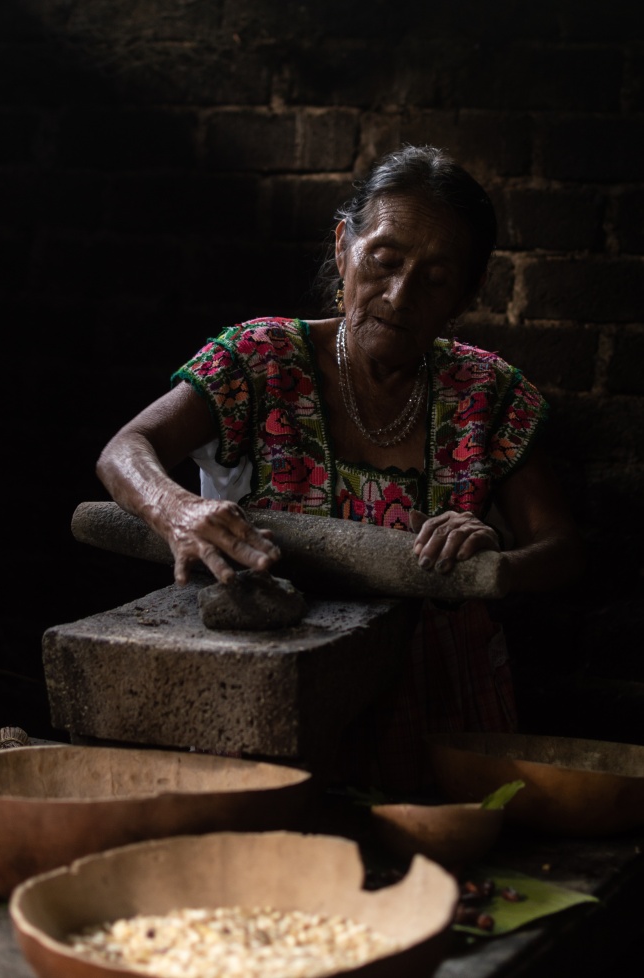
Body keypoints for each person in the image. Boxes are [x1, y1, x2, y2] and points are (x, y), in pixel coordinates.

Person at [96, 145, 584, 793]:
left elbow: (563, 549)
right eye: (384, 261)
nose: (401, 294)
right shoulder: (260, 360)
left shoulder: (486, 395)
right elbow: (124, 450)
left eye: (436, 279)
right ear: (342, 247)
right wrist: (176, 508)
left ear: (467, 293)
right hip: (273, 700)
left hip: (442, 707)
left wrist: (493, 564)